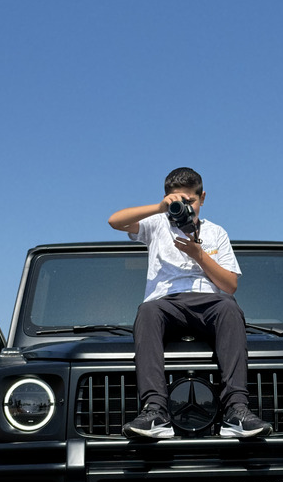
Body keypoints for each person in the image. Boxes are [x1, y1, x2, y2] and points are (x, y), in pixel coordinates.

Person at [108, 167, 272, 440]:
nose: (185, 207)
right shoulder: (157, 224)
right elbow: (115, 221)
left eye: (190, 201)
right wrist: (160, 207)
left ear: (203, 198)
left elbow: (229, 285)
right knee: (147, 310)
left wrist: (199, 254)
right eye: (178, 201)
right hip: (165, 303)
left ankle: (236, 411)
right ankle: (155, 411)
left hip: (209, 302)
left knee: (230, 307)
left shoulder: (216, 232)